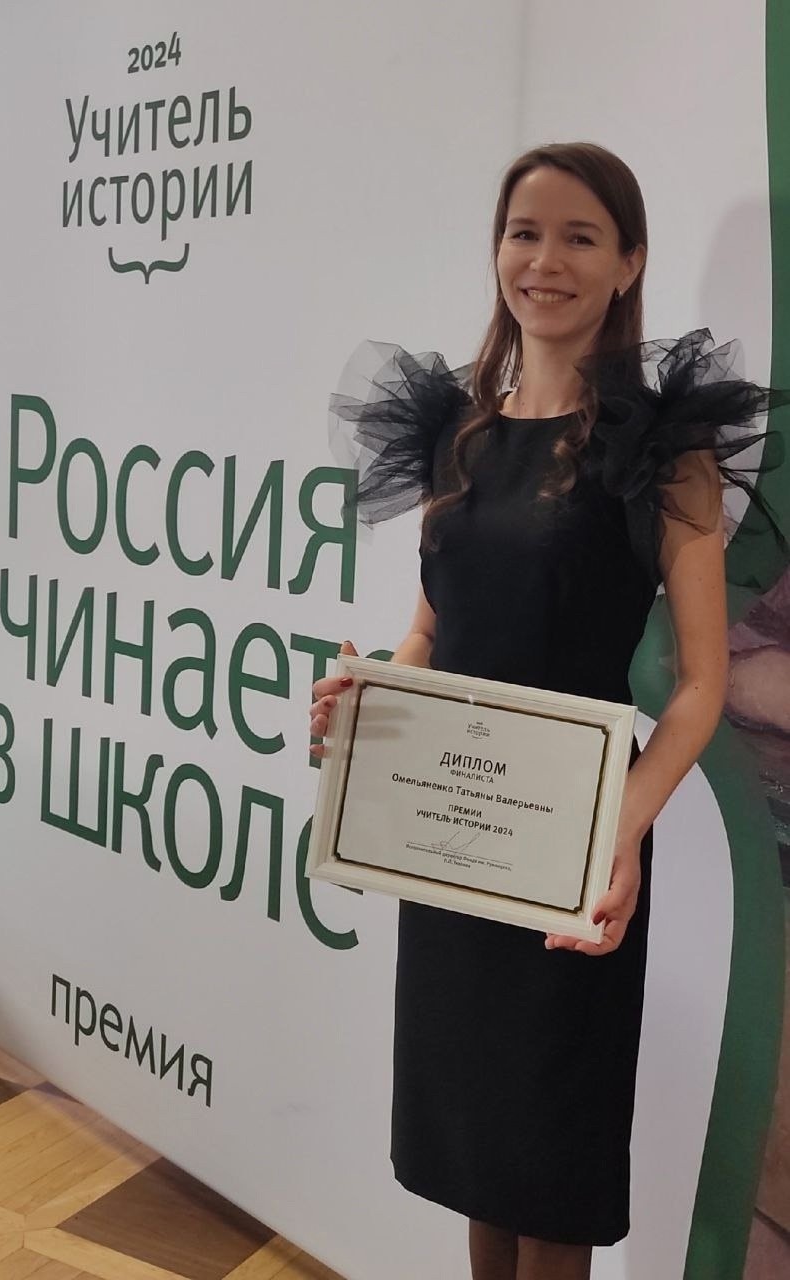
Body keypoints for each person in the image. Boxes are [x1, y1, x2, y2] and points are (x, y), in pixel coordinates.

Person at [308, 142, 788, 1280]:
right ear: (496, 251)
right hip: (451, 849)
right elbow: (431, 635)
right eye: (525, 233)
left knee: (550, 1167)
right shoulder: (458, 435)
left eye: (580, 237)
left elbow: (701, 684)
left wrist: (619, 828)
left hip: (574, 849)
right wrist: (368, 701)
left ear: (628, 263)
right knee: (473, 1154)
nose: (546, 261)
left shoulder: (661, 452)